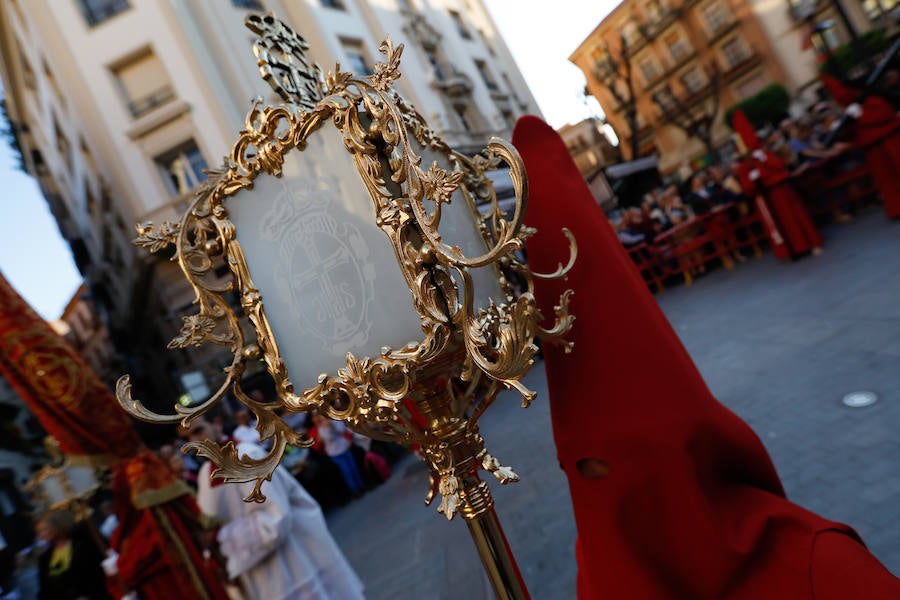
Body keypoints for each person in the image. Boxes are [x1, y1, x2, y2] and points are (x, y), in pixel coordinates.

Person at [513, 114, 900, 599]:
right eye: (580, 468)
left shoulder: (826, 575)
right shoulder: (598, 569)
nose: (608, 495)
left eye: (632, 463)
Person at [197, 442, 365, 600]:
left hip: (292, 564)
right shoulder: (205, 476)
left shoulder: (248, 455)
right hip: (256, 580)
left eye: (199, 428)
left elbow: (275, 521)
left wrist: (222, 538)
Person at [35, 510, 110, 600]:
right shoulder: (44, 559)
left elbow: (95, 574)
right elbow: (46, 590)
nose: (41, 535)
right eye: (39, 532)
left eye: (44, 529)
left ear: (57, 525)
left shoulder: (82, 545)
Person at [309, 412, 365, 496]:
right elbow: (325, 440)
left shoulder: (334, 421)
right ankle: (355, 490)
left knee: (353, 467)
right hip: (334, 453)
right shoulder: (320, 429)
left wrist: (331, 425)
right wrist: (324, 428)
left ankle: (361, 486)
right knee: (346, 471)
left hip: (344, 447)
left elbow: (341, 431)